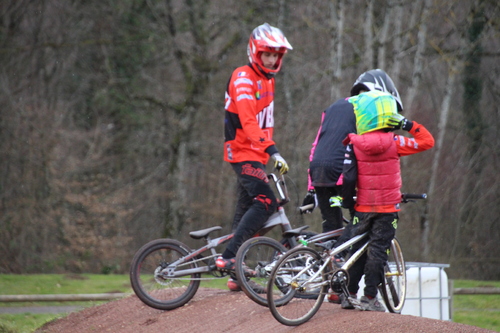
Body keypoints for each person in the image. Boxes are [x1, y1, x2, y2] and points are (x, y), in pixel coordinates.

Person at [339, 90, 435, 311]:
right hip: (387, 209)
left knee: (356, 250)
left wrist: (348, 200)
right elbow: (427, 141)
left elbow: (348, 175)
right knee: (378, 251)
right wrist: (407, 124)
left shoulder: (355, 143)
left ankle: (349, 294)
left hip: (362, 206)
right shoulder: (395, 142)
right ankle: (369, 297)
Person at [215, 23, 293, 291]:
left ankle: (236, 274)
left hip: (256, 154)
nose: (272, 60)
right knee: (266, 202)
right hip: (242, 152)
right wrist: (273, 151)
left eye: (276, 55)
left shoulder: (268, 81)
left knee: (244, 212)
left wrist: (267, 151)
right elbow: (249, 123)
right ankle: (227, 258)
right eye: (267, 54)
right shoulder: (243, 77)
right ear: (255, 52)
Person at [302, 69, 404, 235]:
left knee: (331, 227)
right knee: (360, 223)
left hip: (319, 172)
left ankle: (330, 259)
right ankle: (347, 258)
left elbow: (316, 146)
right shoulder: (368, 109)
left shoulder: (332, 108)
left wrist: (311, 188)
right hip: (343, 171)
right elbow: (370, 148)